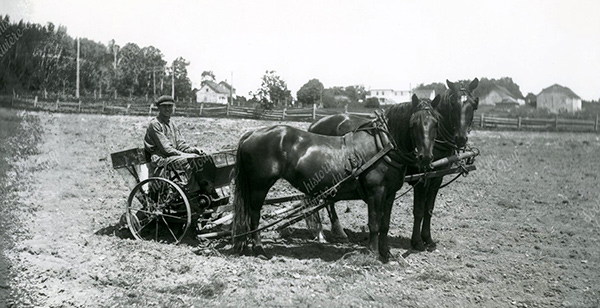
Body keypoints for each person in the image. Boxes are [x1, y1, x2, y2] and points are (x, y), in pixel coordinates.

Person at [144, 95, 205, 191]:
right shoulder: (155, 124)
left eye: (170, 106)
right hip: (160, 159)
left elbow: (181, 144)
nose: (167, 109)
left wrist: (194, 150)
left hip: (172, 157)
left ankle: (199, 189)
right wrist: (184, 155)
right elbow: (166, 149)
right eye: (164, 106)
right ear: (159, 108)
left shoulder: (172, 124)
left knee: (201, 160)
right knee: (191, 162)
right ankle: (193, 192)